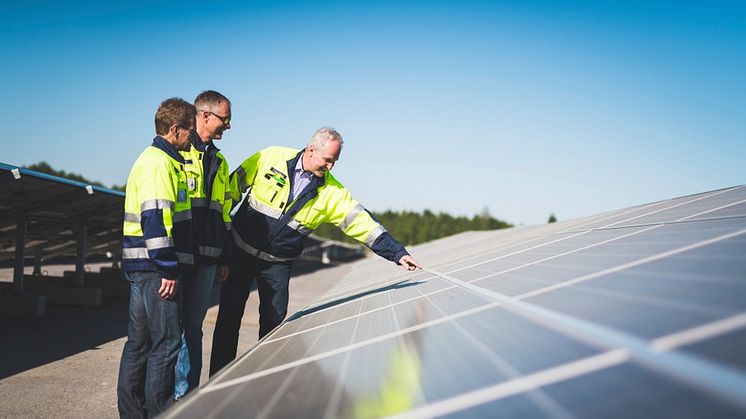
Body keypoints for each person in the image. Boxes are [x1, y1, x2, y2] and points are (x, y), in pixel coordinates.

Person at [209, 127, 421, 375]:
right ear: (311, 149)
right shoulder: (270, 157)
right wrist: (221, 240)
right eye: (328, 160)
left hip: (277, 264)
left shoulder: (332, 192)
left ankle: (263, 380)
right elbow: (229, 191)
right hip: (239, 253)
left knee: (273, 326)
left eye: (335, 161)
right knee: (228, 320)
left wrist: (396, 253)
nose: (331, 167)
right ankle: (218, 379)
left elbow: (363, 224)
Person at [118, 98, 196, 418]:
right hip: (154, 268)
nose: (194, 135)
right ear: (175, 129)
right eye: (190, 129)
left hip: (143, 266)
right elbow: (155, 217)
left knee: (139, 344)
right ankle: (160, 412)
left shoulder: (157, 160)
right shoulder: (159, 163)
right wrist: (168, 268)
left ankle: (134, 414)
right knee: (166, 343)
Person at [174, 90, 234, 399]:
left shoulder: (220, 162)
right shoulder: (178, 153)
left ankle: (187, 398)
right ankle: (167, 399)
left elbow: (223, 213)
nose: (229, 125)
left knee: (193, 328)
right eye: (226, 119)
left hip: (208, 260)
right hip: (178, 257)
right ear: (206, 116)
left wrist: (223, 256)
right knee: (171, 331)